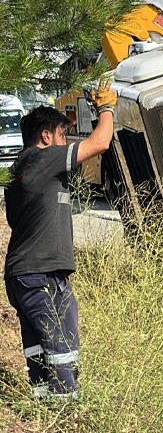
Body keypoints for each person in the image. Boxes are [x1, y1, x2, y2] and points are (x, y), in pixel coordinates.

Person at [4, 81, 115, 401]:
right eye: (62, 135)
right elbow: (101, 143)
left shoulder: (20, 168)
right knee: (61, 347)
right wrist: (106, 108)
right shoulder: (43, 159)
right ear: (46, 136)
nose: (65, 142)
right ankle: (69, 416)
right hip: (39, 274)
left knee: (41, 350)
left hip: (29, 273)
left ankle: (44, 408)